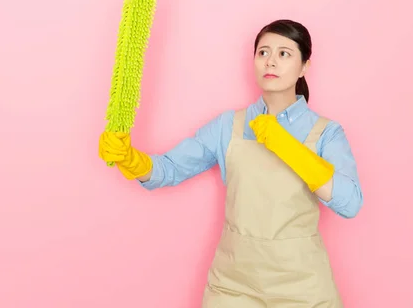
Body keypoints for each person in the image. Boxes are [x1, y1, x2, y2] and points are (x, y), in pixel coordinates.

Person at [98, 19, 363, 307]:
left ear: (304, 67)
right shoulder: (229, 126)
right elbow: (170, 169)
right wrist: (131, 159)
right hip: (234, 286)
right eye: (263, 52)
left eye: (284, 54)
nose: (270, 62)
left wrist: (288, 146)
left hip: (303, 288)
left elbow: (350, 203)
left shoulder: (326, 133)